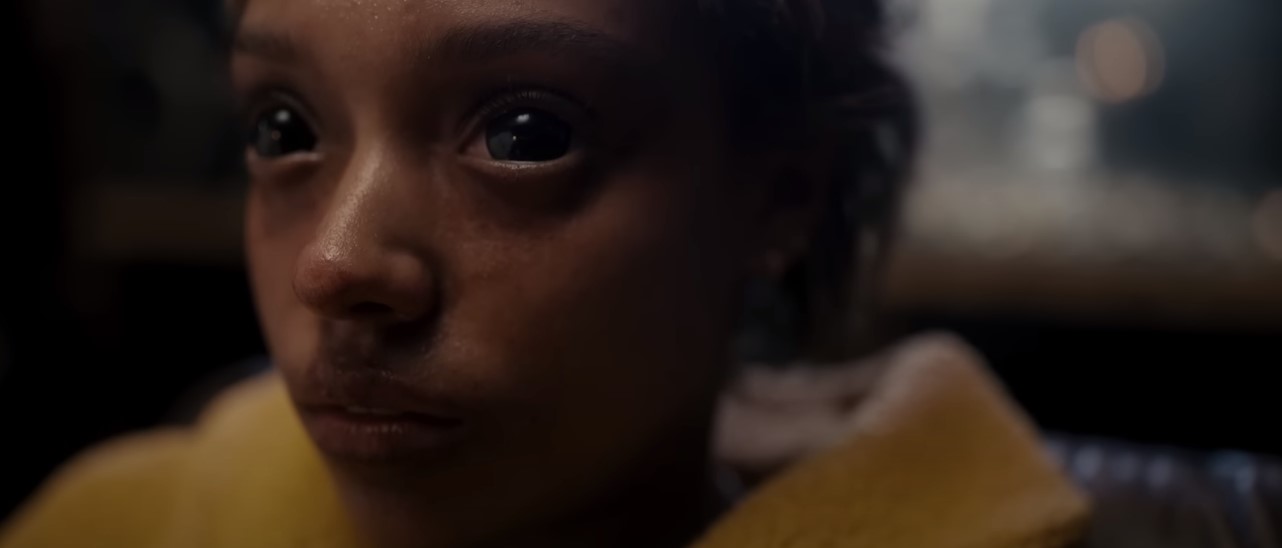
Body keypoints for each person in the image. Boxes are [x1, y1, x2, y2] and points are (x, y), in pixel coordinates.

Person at [3, 0, 1275, 547]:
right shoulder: (117, 524)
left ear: (780, 195)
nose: (336, 261)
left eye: (524, 134)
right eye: (285, 128)